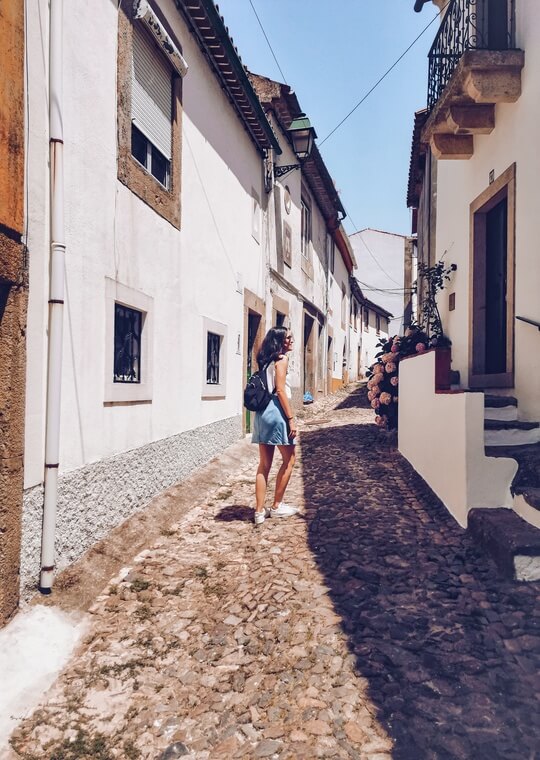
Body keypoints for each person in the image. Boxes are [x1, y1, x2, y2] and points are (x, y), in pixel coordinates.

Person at [252, 326, 298, 525]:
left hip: (262, 414)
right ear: (280, 341)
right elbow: (280, 390)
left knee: (264, 465)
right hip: (276, 412)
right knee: (290, 460)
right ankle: (277, 505)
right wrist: (290, 419)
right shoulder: (282, 360)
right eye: (288, 338)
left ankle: (259, 512)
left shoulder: (265, 361)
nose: (291, 341)